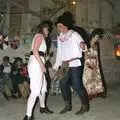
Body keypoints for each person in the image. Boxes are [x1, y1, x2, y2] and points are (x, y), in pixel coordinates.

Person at [53, 14, 89, 115]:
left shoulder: (74, 35)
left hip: (74, 64)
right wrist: (56, 65)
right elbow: (59, 52)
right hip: (64, 65)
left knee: (77, 86)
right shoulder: (60, 37)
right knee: (62, 84)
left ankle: (85, 106)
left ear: (65, 25)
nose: (58, 28)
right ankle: (68, 105)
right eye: (57, 26)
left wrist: (83, 46)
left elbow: (84, 46)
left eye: (59, 26)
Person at [23, 21, 53, 120]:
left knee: (43, 88)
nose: (48, 32)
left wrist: (46, 58)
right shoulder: (40, 36)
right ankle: (28, 116)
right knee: (35, 91)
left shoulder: (40, 37)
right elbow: (35, 51)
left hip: (37, 63)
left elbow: (37, 52)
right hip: (37, 65)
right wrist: (42, 65)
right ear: (43, 28)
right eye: (48, 29)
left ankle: (42, 107)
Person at [83, 28, 107, 100]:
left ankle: (97, 93)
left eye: (98, 37)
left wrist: (97, 64)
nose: (97, 38)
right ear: (93, 35)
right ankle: (88, 94)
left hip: (95, 63)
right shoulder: (86, 43)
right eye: (97, 37)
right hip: (88, 63)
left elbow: (97, 55)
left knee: (96, 79)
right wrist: (88, 63)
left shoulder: (96, 44)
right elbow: (85, 54)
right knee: (88, 79)